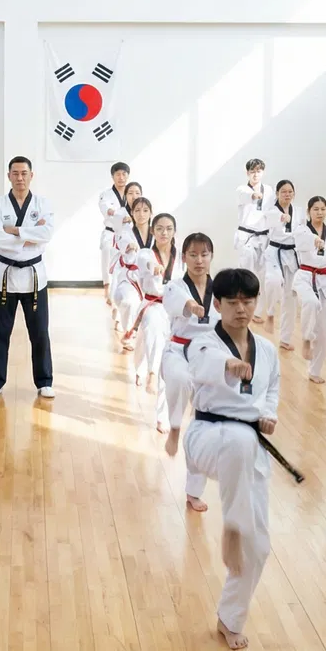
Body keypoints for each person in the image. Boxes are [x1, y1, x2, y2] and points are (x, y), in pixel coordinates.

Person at [182, 267, 282, 651]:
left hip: (247, 447)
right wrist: (230, 365)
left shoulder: (268, 350)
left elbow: (271, 391)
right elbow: (204, 364)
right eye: (233, 302)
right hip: (208, 438)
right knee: (240, 439)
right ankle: (233, 524)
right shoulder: (206, 343)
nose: (242, 309)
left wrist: (268, 415)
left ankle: (230, 617)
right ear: (218, 304)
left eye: (248, 301)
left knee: (259, 548)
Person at [0, 156, 56, 398]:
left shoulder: (43, 204)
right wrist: (29, 237)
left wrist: (15, 231)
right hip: (5, 277)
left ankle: (44, 380)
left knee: (40, 332)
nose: (20, 178)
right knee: (0, 332)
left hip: (35, 277)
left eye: (24, 173)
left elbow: (47, 234)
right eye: (15, 173)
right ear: (9, 176)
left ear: (31, 175)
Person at [161, 233, 220, 463]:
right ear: (184, 257)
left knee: (208, 411)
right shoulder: (175, 286)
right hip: (178, 350)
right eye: (193, 255)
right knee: (179, 379)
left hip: (209, 353)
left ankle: (195, 486)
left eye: (204, 255)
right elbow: (176, 300)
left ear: (211, 256)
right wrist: (191, 305)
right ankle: (175, 427)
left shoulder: (220, 289)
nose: (199, 260)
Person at [125, 212, 179, 394]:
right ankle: (152, 373)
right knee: (152, 329)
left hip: (173, 306)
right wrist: (154, 267)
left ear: (174, 232)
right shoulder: (145, 253)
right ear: (152, 231)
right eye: (159, 229)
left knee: (147, 341)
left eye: (169, 229)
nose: (164, 232)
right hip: (152, 304)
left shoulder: (180, 256)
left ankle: (148, 370)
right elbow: (145, 262)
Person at [292, 196, 326, 382]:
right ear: (308, 212)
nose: (319, 212)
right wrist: (315, 239)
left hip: (325, 279)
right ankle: (306, 339)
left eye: (322, 209)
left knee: (325, 330)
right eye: (315, 209)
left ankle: (314, 371)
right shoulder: (301, 230)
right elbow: (302, 240)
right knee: (310, 302)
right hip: (305, 277)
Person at [112, 197, 156, 346]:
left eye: (145, 210)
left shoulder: (156, 234)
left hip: (152, 280)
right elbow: (122, 241)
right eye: (137, 210)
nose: (141, 214)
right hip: (131, 278)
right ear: (131, 213)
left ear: (151, 213)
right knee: (128, 301)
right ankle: (129, 331)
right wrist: (130, 245)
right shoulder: (127, 232)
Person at [261, 180, 299, 340]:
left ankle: (285, 338)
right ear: (277, 194)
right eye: (283, 191)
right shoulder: (271, 211)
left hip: (292, 253)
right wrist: (282, 217)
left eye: (290, 191)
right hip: (275, 251)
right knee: (273, 281)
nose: (287, 194)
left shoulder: (298, 211)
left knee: (291, 296)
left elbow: (302, 229)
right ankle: (270, 313)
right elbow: (273, 219)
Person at [234, 158, 271, 278]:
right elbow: (246, 196)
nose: (255, 174)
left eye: (258, 171)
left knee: (263, 272)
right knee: (246, 270)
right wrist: (253, 195)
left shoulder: (269, 190)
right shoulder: (242, 189)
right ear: (247, 173)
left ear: (263, 172)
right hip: (247, 237)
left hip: (264, 236)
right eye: (252, 171)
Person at [97, 162, 133, 280]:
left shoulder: (132, 193)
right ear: (112, 177)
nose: (121, 177)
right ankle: (108, 290)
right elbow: (106, 209)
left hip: (128, 233)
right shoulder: (106, 194)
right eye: (118, 174)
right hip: (111, 233)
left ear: (128, 176)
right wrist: (119, 216)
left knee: (130, 260)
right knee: (108, 261)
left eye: (124, 174)